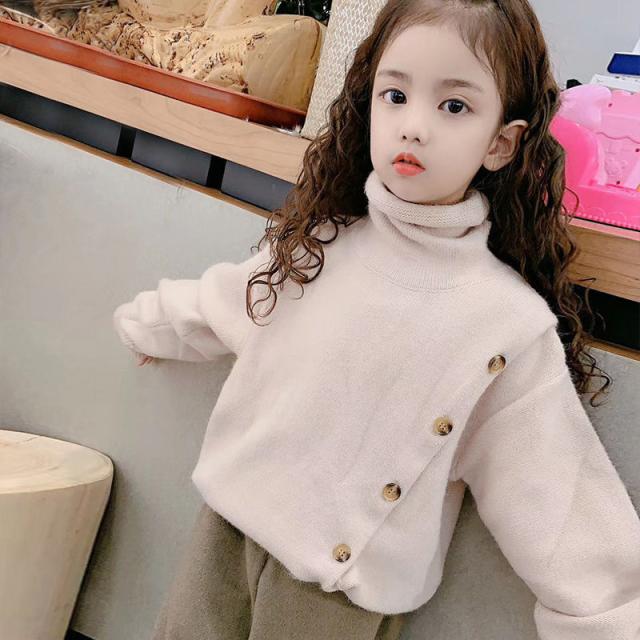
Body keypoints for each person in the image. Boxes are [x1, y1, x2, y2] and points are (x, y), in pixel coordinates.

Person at [113, 1, 640, 638]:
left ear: (502, 142)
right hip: (225, 531)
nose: (413, 127)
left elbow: (557, 493)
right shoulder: (321, 246)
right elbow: (224, 301)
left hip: (331, 603)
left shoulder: (505, 326)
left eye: (454, 106)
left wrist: (609, 618)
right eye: (396, 96)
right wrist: (150, 324)